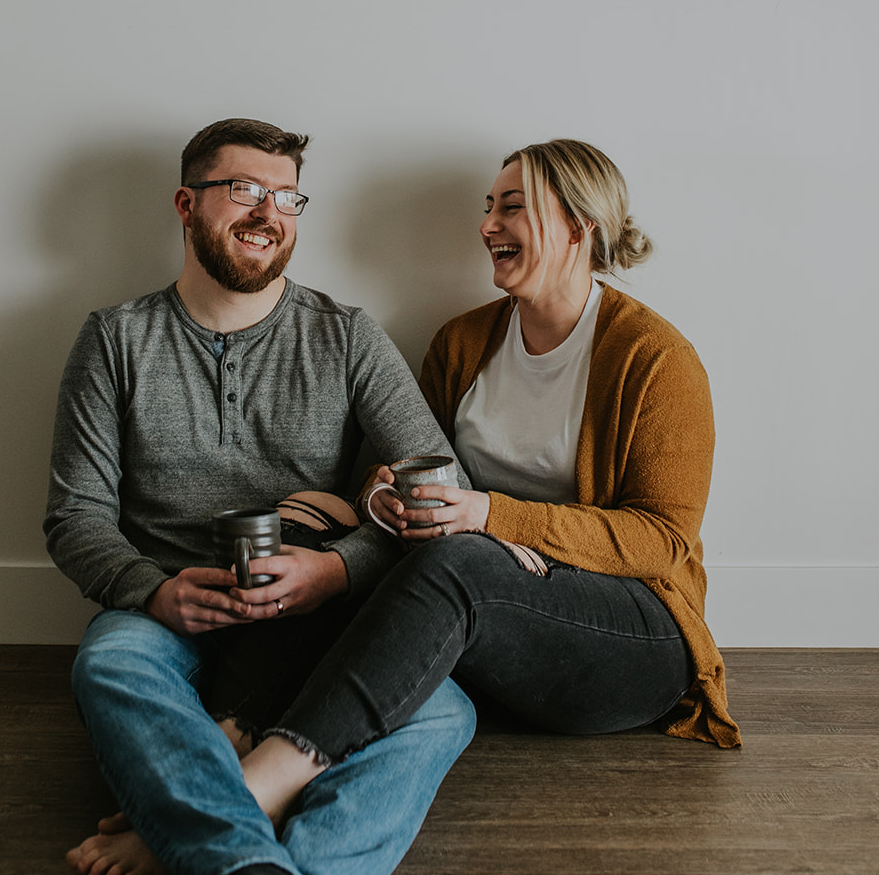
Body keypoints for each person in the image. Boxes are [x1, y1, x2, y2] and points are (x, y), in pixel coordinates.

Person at [44, 117, 475, 875]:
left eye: (285, 197)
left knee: (440, 711)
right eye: (243, 190)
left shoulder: (347, 335)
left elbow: (440, 490)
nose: (266, 212)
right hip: (166, 609)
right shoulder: (116, 339)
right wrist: (149, 591)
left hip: (313, 613)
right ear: (186, 204)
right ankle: (252, 874)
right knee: (108, 663)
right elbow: (74, 517)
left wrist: (339, 573)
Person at [238, 138, 741, 829]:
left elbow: (661, 541)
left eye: (511, 207)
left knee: (462, 562)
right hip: (488, 607)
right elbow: (384, 472)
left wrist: (490, 519)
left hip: (634, 637)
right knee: (307, 518)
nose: (485, 227)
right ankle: (229, 732)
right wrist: (379, 498)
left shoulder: (655, 359)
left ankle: (256, 787)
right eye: (487, 208)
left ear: (576, 227)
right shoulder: (462, 343)